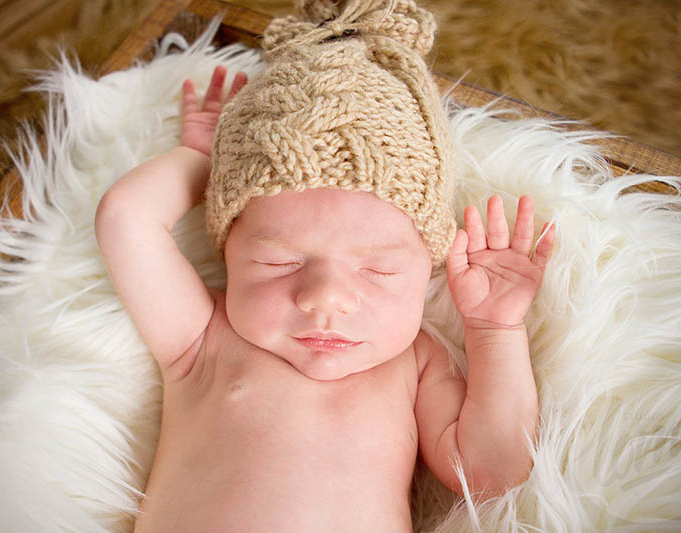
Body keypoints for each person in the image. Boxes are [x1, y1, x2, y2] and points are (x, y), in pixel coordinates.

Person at [94, 1, 556, 530]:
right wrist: (207, 164)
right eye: (280, 260)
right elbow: (126, 217)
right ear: (230, 251)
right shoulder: (202, 341)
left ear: (428, 264)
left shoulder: (415, 363)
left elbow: (492, 473)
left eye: (379, 270)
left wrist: (495, 331)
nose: (325, 297)